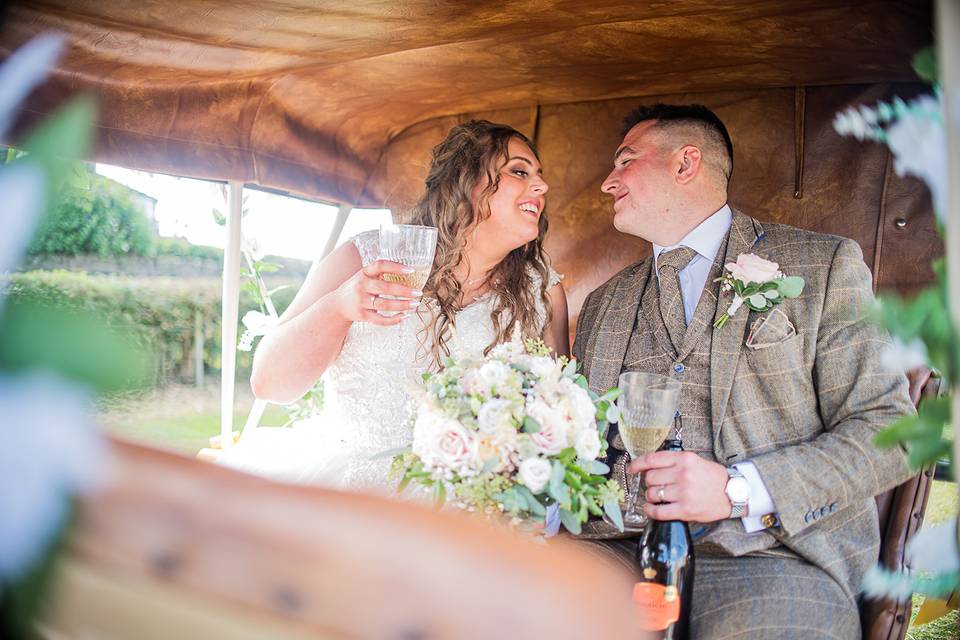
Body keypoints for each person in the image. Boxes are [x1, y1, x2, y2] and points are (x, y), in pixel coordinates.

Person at [572, 104, 914, 638]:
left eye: (625, 162)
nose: (607, 183)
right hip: (616, 551)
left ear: (686, 163)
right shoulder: (602, 304)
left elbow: (892, 435)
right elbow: (579, 448)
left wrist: (737, 491)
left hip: (774, 558)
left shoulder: (822, 266)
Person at [218, 120, 569, 492]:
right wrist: (340, 306)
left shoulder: (542, 292)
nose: (542, 186)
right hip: (346, 490)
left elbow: (556, 427)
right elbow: (270, 383)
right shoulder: (366, 257)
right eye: (518, 171)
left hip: (469, 507)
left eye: (540, 176)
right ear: (466, 182)